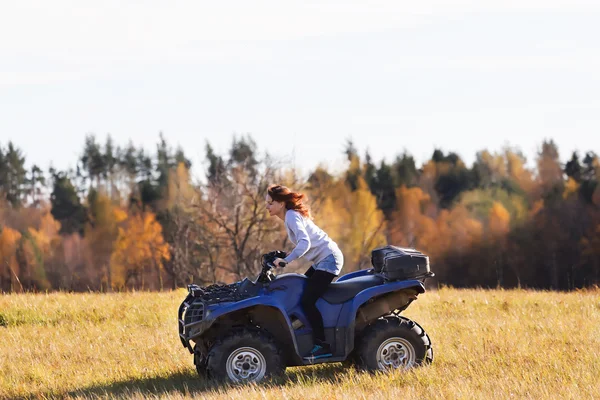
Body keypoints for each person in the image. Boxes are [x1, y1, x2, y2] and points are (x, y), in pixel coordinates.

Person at [265, 184, 344, 360]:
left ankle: (322, 345)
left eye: (270, 203)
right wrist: (284, 255)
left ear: (281, 204)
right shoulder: (290, 217)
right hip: (322, 260)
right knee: (299, 289)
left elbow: (305, 243)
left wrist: (287, 260)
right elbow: (304, 244)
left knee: (307, 301)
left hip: (329, 259)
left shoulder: (291, 216)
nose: (267, 207)